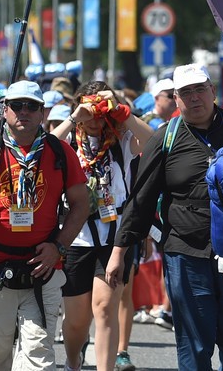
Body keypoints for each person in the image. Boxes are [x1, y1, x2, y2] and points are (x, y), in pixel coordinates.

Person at [106, 64, 223, 371]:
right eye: (186, 92)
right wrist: (119, 253)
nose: (195, 98)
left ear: (213, 91)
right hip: (185, 253)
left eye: (200, 89)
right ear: (176, 98)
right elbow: (141, 199)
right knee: (194, 343)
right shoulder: (166, 138)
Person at [0, 81, 89, 371]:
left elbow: (82, 205)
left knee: (39, 359)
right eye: (17, 105)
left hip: (44, 268)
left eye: (32, 106)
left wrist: (59, 247)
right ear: (5, 110)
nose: (25, 111)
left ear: (43, 112)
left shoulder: (60, 151)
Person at [50, 81, 154, 371]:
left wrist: (122, 111)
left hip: (115, 238)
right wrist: (74, 118)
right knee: (76, 322)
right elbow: (44, 147)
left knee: (105, 308)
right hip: (76, 239)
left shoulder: (121, 140)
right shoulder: (69, 143)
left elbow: (153, 141)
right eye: (90, 111)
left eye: (100, 111)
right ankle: (74, 361)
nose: (95, 119)